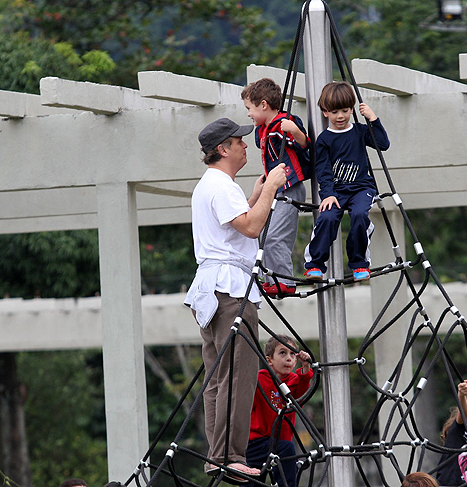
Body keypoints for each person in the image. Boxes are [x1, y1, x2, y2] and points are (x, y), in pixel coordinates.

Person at [184, 117, 287, 482]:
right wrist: (272, 187)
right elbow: (250, 227)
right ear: (223, 149)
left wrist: (255, 195)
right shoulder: (222, 185)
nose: (247, 146)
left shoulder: (209, 185)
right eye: (239, 142)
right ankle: (230, 454)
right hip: (229, 289)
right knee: (238, 374)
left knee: (217, 376)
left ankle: (217, 454)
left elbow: (232, 224)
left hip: (211, 288)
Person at [304, 80, 390, 282]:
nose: (340, 116)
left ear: (352, 109)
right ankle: (315, 265)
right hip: (337, 190)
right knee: (327, 218)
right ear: (325, 112)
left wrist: (373, 119)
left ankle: (359, 263)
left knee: (360, 215)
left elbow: (383, 144)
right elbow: (323, 170)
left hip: (362, 188)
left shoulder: (360, 131)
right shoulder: (324, 140)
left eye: (344, 110)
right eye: (334, 112)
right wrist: (328, 194)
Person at [241, 78, 311, 298]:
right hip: (276, 188)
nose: (248, 114)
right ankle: (273, 279)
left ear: (263, 105)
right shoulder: (262, 130)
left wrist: (295, 131)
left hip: (289, 186)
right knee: (266, 234)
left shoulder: (283, 123)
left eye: (249, 108)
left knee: (275, 236)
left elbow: (305, 145)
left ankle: (283, 281)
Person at [246, 335, 313, 487]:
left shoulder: (294, 381)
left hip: (279, 444)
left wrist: (306, 367)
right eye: (282, 353)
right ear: (269, 360)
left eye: (292, 354)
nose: (288, 358)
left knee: (288, 451)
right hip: (256, 442)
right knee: (252, 481)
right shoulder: (259, 379)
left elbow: (303, 391)